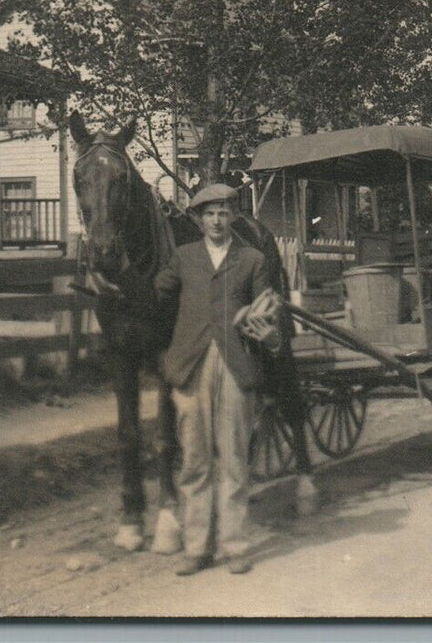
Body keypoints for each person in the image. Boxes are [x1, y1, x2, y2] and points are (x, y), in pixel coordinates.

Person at [155, 183, 271, 576]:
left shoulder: (252, 259)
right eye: (209, 214)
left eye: (223, 213)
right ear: (198, 220)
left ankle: (235, 545)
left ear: (232, 217)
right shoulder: (183, 258)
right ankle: (196, 547)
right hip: (190, 365)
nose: (217, 221)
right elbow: (155, 296)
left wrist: (261, 322)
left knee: (235, 460)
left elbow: (268, 308)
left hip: (236, 365)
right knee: (194, 460)